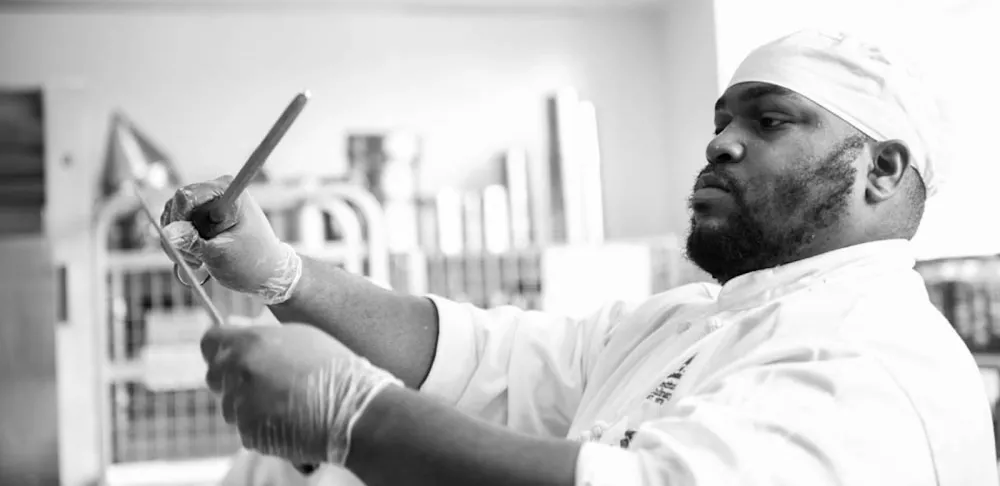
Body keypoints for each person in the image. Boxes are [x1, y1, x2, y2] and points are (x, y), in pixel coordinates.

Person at [162, 30, 998, 485]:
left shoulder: (873, 361)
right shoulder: (690, 319)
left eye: (769, 121)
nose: (720, 143)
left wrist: (356, 420)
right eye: (721, 120)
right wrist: (280, 274)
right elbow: (483, 357)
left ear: (882, 170)